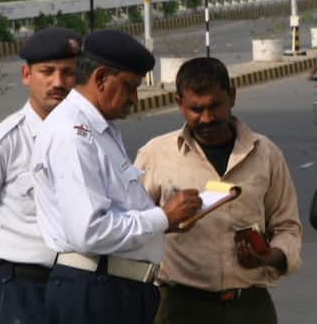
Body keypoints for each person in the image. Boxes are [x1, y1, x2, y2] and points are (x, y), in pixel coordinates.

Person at [30, 29, 203, 324]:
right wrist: (162, 218)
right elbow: (89, 231)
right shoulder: (73, 135)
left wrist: (165, 222)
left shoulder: (101, 129)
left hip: (115, 288)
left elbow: (118, 210)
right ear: (100, 78)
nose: (135, 98)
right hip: (95, 290)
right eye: (130, 87)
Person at [134, 57, 302, 324]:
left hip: (250, 307)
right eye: (196, 109)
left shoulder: (265, 154)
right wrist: (166, 219)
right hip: (178, 307)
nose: (207, 118)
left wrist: (268, 256)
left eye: (215, 106)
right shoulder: (156, 155)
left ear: (232, 97)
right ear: (179, 104)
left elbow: (288, 228)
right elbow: (129, 227)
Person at [0, 27, 81, 324]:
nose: (58, 82)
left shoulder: (90, 139)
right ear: (26, 75)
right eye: (47, 71)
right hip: (22, 291)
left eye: (68, 73)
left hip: (80, 288)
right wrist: (1, 277)